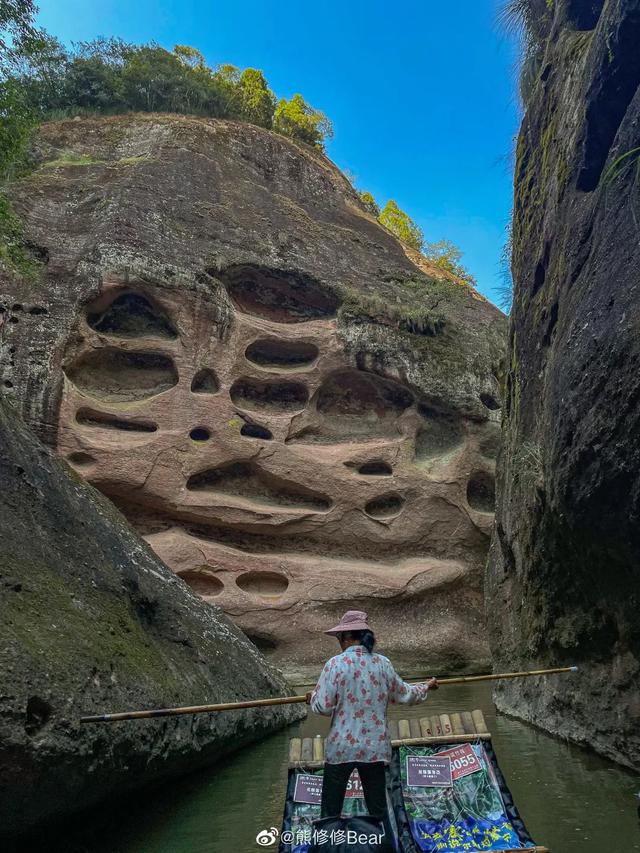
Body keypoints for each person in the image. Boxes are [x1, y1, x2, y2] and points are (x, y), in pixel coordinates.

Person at [306, 610, 437, 845]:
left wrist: (312, 697)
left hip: (341, 749)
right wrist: (426, 687)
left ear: (345, 637)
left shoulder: (335, 664)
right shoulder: (382, 664)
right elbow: (406, 694)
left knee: (330, 812)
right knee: (378, 811)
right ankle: (385, 849)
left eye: (339, 638)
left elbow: (323, 707)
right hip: (374, 749)